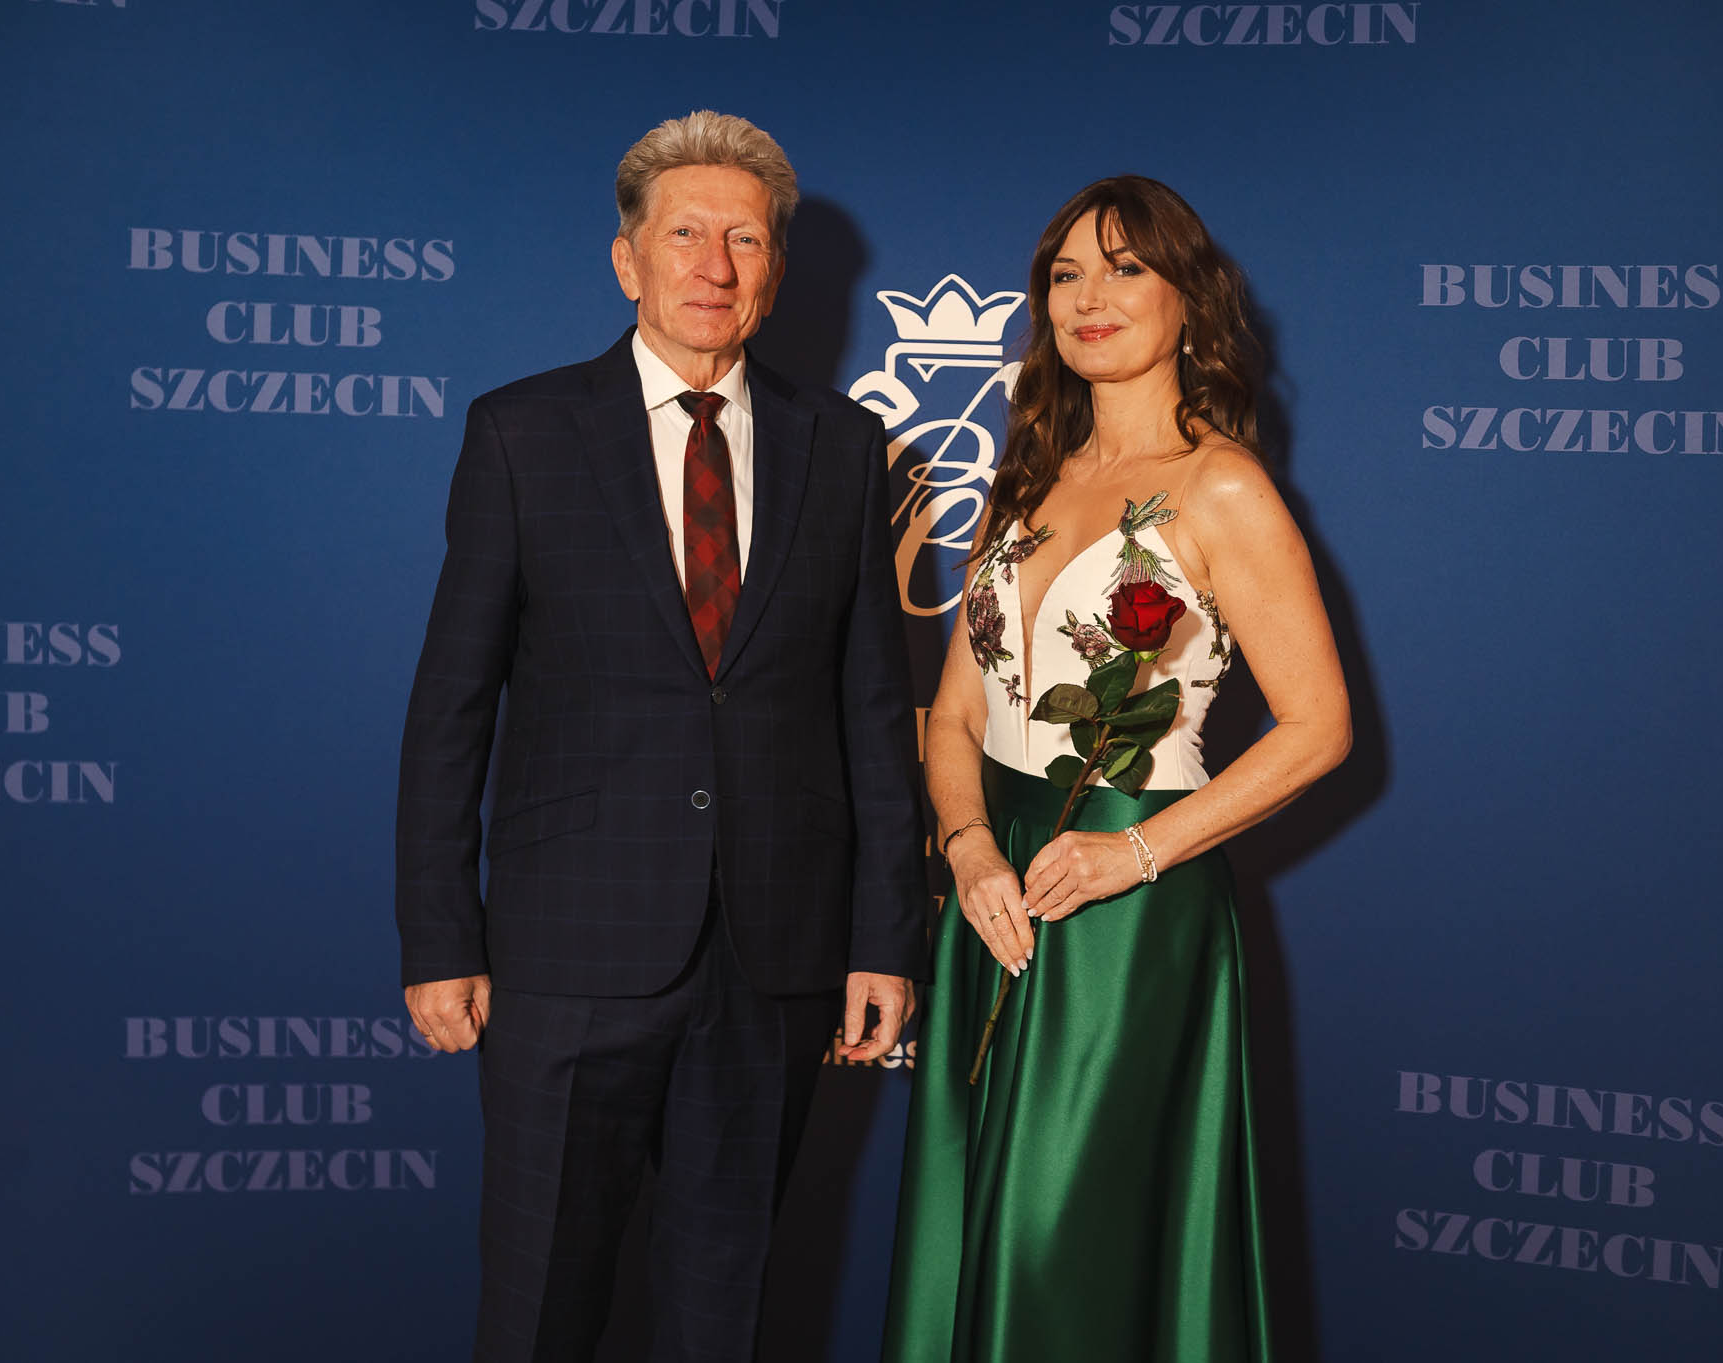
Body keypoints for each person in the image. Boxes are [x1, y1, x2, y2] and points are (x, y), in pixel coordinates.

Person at [394, 111, 928, 1363]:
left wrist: (882, 937)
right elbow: (451, 703)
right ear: (626, 260)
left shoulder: (843, 445)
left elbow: (868, 708)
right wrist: (440, 934)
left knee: (721, 1317)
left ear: (776, 271)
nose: (714, 265)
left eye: (745, 239)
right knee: (538, 1310)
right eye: (684, 233)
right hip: (564, 956)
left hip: (772, 956)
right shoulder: (522, 432)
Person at [881, 176, 1351, 1362]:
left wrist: (1132, 852)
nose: (1090, 296)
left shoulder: (1221, 485)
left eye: (1125, 267)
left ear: (1188, 299)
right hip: (991, 900)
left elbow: (1316, 727)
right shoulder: (1026, 476)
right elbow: (953, 714)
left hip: (1127, 921)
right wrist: (967, 848)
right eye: (1066, 273)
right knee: (977, 1224)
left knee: (1066, 1252)